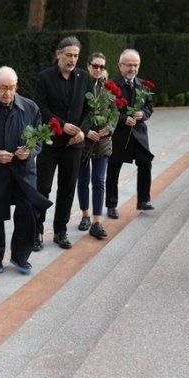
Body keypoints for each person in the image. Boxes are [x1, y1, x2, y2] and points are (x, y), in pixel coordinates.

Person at [0, 66, 52, 275]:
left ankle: (20, 257)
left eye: (12, 88)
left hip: (23, 171)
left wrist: (29, 151)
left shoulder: (30, 108)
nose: (8, 93)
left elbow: (40, 141)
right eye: (3, 88)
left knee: (27, 212)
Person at [34, 36, 90, 251]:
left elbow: (89, 109)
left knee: (67, 189)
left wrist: (83, 132)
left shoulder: (83, 77)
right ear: (58, 54)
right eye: (68, 55)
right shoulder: (45, 78)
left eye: (76, 55)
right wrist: (62, 125)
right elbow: (41, 108)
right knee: (42, 189)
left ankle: (61, 231)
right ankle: (36, 232)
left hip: (74, 145)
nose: (72, 59)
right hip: (50, 143)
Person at [105, 49, 155, 219]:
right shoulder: (111, 85)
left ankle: (143, 200)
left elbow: (149, 107)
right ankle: (111, 205)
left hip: (139, 134)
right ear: (120, 66)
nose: (132, 68)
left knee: (145, 162)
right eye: (129, 65)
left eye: (136, 65)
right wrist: (123, 119)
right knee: (113, 168)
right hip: (119, 134)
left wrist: (143, 114)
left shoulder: (143, 85)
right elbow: (107, 111)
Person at [77, 52, 114, 239]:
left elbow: (115, 113)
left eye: (101, 66)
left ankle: (97, 221)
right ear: (88, 66)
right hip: (83, 142)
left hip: (103, 142)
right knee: (83, 181)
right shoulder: (80, 86)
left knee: (99, 181)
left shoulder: (109, 88)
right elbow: (75, 114)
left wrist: (109, 128)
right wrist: (85, 130)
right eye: (95, 66)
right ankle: (85, 215)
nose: (98, 69)